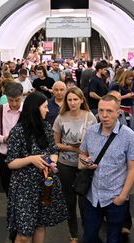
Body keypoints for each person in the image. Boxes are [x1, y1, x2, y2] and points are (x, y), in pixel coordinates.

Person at [5, 91, 68, 243]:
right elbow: (11, 162)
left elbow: (53, 150)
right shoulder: (17, 131)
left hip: (44, 185)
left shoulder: (46, 127)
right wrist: (31, 159)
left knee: (40, 225)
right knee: (25, 234)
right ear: (35, 108)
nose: (48, 110)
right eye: (45, 107)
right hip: (24, 188)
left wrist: (51, 163)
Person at [79, 95, 134, 243]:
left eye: (109, 111)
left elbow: (133, 169)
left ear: (118, 112)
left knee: (114, 238)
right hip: (92, 196)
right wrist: (85, 161)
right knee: (89, 237)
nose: (104, 115)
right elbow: (82, 156)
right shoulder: (91, 132)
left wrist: (122, 197)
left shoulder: (128, 136)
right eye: (101, 110)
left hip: (115, 197)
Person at [52, 87, 97, 242]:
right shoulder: (61, 117)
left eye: (75, 99)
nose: (72, 103)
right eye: (69, 100)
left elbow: (96, 141)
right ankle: (73, 234)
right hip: (65, 164)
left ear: (81, 100)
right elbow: (55, 144)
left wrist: (83, 149)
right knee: (69, 202)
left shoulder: (90, 117)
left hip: (84, 164)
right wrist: (72, 148)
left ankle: (87, 233)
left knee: (85, 202)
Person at [0, 82, 24, 195]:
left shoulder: (28, 110)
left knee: (24, 193)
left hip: (24, 158)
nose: (14, 104)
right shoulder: (0, 110)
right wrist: (4, 139)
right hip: (5, 157)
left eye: (17, 100)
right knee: (8, 191)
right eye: (10, 100)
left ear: (22, 96)